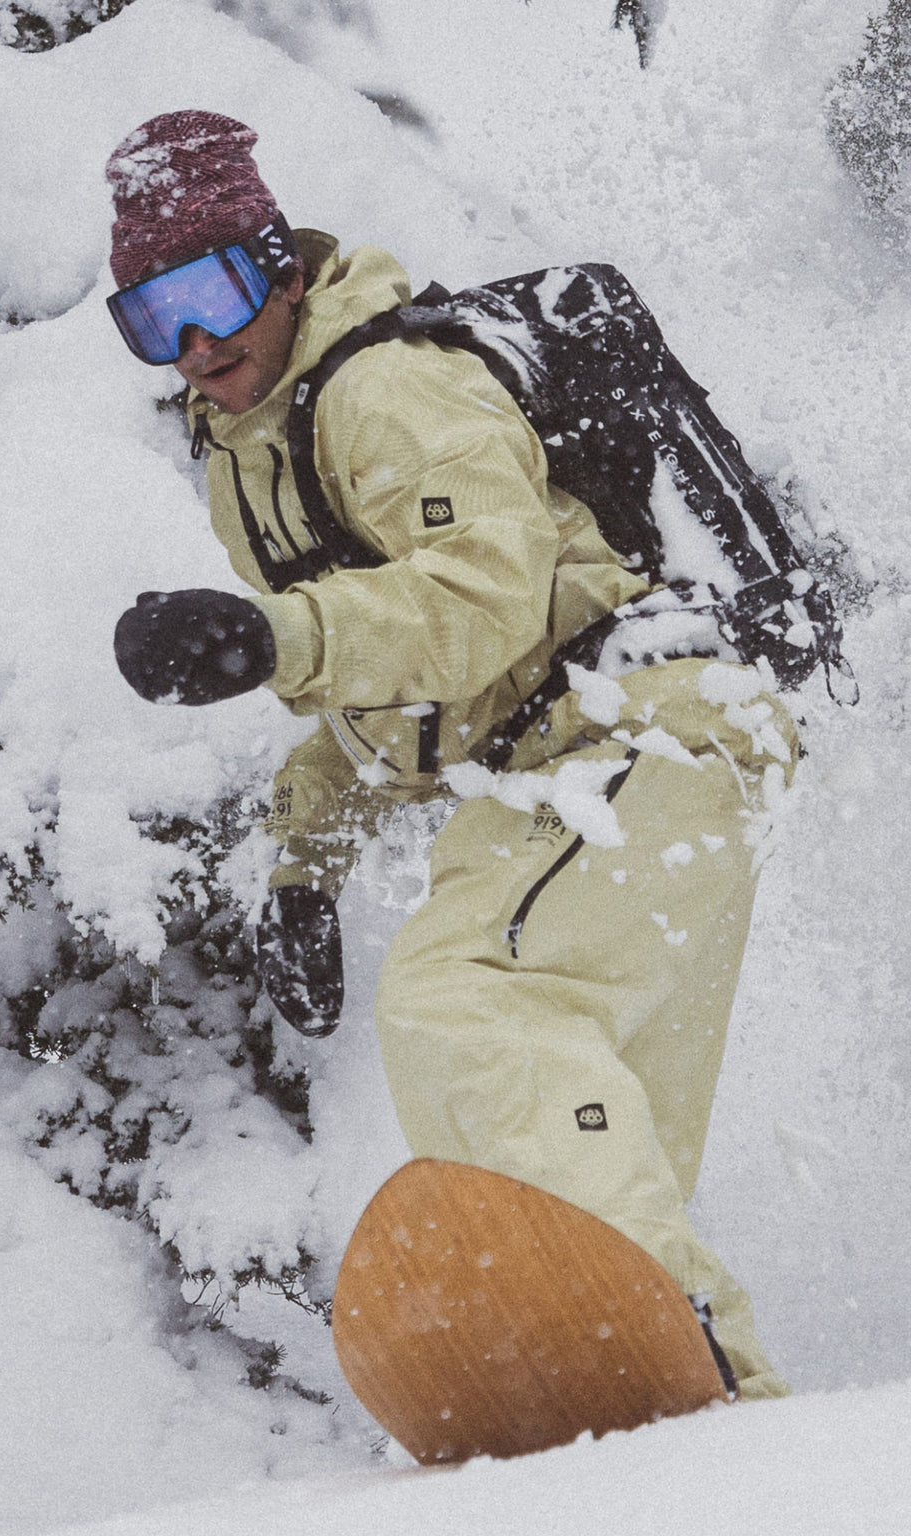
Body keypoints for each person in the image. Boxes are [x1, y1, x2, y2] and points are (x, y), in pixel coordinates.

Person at [105, 110, 799, 1400]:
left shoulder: (387, 387)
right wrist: (303, 868)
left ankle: (667, 1348)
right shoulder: (247, 456)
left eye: (210, 296)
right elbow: (393, 699)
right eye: (153, 322)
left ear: (280, 265)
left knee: (466, 999)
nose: (196, 349)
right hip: (579, 769)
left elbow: (485, 597)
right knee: (574, 1129)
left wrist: (272, 637)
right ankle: (700, 1418)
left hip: (646, 721)